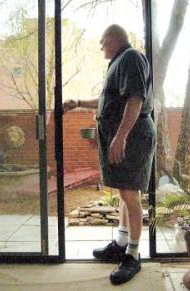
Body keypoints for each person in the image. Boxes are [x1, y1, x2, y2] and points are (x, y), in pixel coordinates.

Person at [63, 24, 156, 285]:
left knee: (130, 193)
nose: (100, 46)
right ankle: (121, 242)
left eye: (103, 41)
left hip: (134, 137)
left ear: (114, 39)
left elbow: (135, 99)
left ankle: (133, 255)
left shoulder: (131, 57)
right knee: (124, 192)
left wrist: (121, 136)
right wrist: (79, 103)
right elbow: (109, 100)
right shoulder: (118, 62)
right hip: (124, 136)